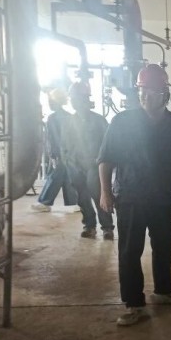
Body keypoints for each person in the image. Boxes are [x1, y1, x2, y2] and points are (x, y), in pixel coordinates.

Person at [98, 64, 171, 327]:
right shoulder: (122, 122)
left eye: (151, 91)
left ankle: (164, 291)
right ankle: (134, 304)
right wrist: (105, 192)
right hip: (130, 198)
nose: (145, 96)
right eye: (142, 91)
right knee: (130, 250)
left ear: (164, 93)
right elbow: (105, 159)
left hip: (163, 198)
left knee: (163, 245)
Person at [61, 81, 114, 240]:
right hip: (75, 166)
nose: (74, 102)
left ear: (85, 99)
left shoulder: (99, 120)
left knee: (99, 196)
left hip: (94, 165)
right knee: (82, 198)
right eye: (72, 99)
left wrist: (103, 163)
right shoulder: (68, 121)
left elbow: (108, 144)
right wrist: (68, 161)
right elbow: (65, 144)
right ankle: (89, 226)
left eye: (77, 98)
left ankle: (107, 227)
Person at [31, 88, 78, 212]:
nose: (49, 104)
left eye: (50, 101)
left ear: (56, 102)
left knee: (54, 177)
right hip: (70, 153)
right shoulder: (70, 116)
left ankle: (44, 202)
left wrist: (53, 155)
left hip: (59, 153)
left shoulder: (52, 118)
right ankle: (72, 203)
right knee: (67, 177)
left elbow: (53, 138)